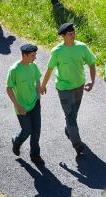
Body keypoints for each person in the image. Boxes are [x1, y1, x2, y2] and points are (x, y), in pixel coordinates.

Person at [40, 22, 96, 157]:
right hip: (64, 88)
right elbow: (50, 69)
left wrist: (92, 81)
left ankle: (69, 129)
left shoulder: (82, 47)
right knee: (70, 116)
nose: (72, 35)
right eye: (69, 33)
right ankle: (77, 144)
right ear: (63, 36)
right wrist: (43, 85)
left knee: (73, 114)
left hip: (79, 86)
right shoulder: (57, 51)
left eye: (73, 32)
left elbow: (92, 64)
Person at [7, 43, 45, 166]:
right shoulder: (14, 70)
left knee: (36, 131)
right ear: (24, 55)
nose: (35, 58)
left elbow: (37, 79)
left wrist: (39, 88)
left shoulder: (33, 66)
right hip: (22, 107)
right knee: (27, 130)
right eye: (33, 55)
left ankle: (35, 155)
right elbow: (9, 89)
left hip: (35, 102)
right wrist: (17, 105)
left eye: (35, 55)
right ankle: (16, 141)